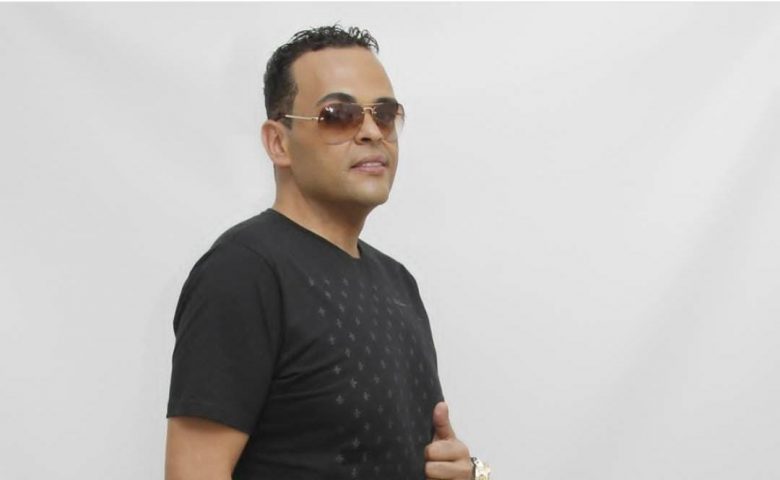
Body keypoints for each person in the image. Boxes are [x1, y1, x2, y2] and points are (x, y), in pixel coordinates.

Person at [164, 24, 491, 480]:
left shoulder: (398, 283)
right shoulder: (244, 271)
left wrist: (466, 471)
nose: (372, 132)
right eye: (338, 115)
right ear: (279, 142)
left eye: (385, 114)